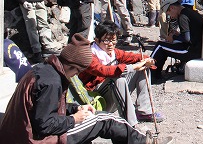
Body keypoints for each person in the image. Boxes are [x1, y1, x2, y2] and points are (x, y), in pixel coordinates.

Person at [0, 34, 172, 144]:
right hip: (34, 139)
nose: (76, 75)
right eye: (78, 71)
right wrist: (74, 118)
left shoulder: (44, 70)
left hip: (20, 133)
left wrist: (74, 108)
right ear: (73, 66)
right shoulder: (51, 82)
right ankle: (146, 143)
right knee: (105, 119)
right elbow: (44, 125)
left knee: (98, 118)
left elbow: (43, 107)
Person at [79, 20, 162, 126]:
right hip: (96, 99)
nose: (110, 44)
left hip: (112, 93)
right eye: (106, 41)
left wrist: (147, 59)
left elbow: (130, 56)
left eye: (113, 40)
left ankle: (144, 111)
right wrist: (132, 67)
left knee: (142, 68)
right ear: (96, 40)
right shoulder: (89, 55)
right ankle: (131, 125)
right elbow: (103, 71)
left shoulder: (113, 52)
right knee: (118, 79)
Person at [150, 0, 203, 83]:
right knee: (164, 45)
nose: (169, 16)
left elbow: (187, 39)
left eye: (168, 13)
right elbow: (190, 34)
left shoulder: (182, 16)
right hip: (198, 48)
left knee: (160, 46)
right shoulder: (190, 12)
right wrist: (178, 34)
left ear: (172, 8)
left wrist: (173, 37)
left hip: (190, 51)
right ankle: (156, 73)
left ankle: (152, 74)